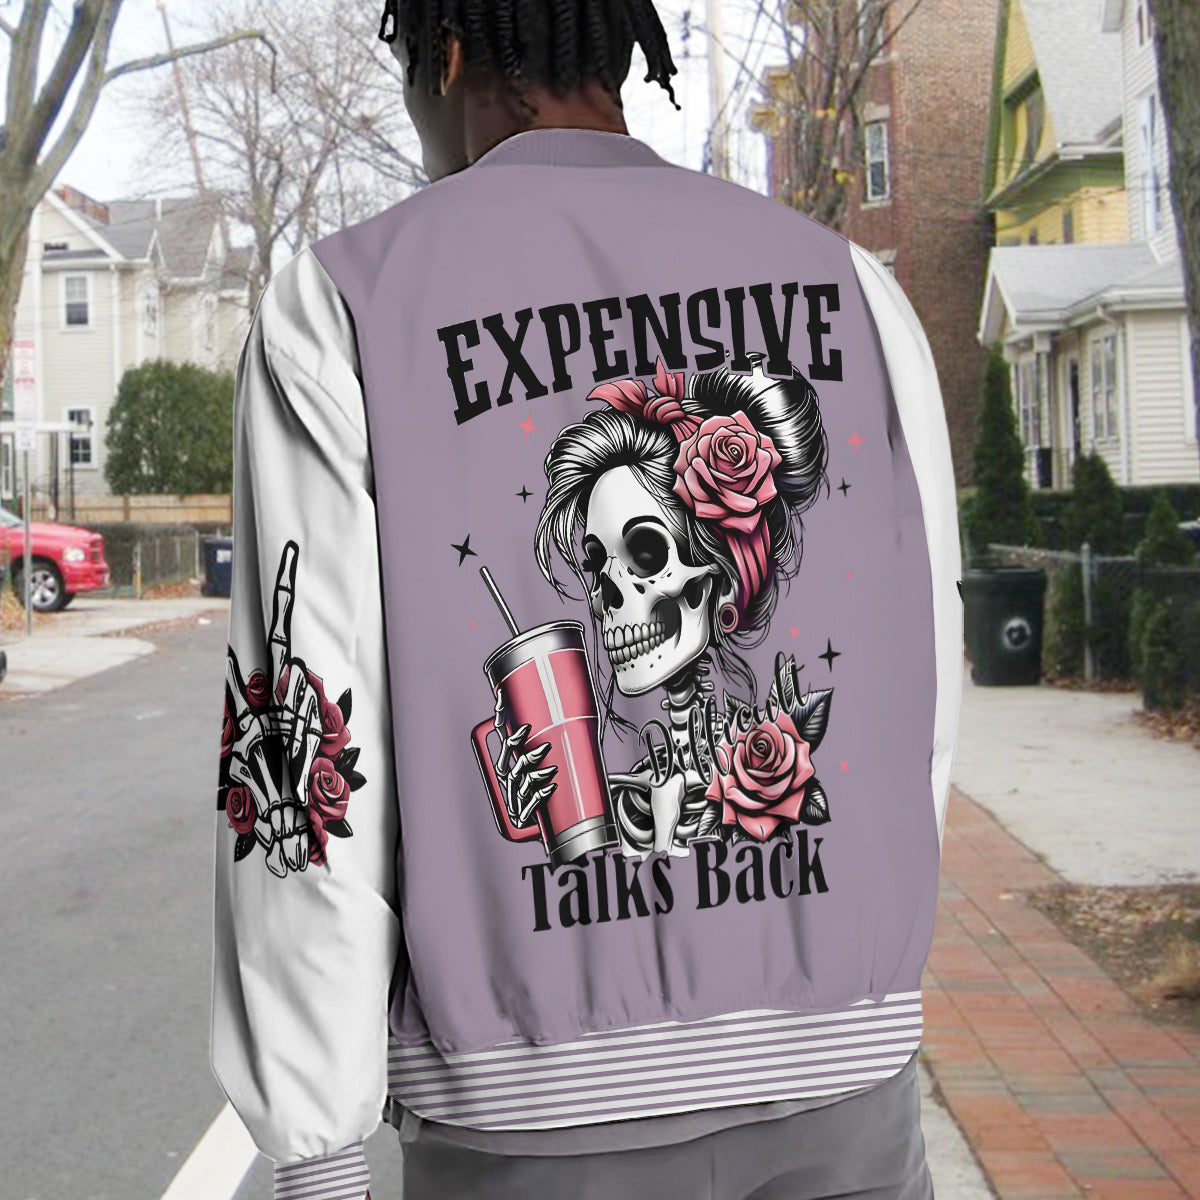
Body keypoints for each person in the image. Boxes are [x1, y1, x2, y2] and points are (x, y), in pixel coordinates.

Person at [209, 2, 964, 1198]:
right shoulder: (855, 290)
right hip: (848, 1094)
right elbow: (922, 684)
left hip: (527, 1124)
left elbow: (300, 746)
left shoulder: (344, 307)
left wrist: (318, 1156)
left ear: (448, 54)